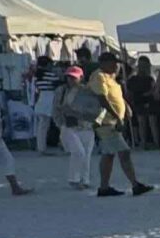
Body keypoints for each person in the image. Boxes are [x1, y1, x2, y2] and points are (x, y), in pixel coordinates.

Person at [88, 52, 152, 197]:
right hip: (106, 122)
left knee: (109, 154)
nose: (116, 66)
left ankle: (104, 187)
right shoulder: (99, 77)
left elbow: (115, 96)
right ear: (104, 63)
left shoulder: (111, 78)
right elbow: (102, 99)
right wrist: (118, 116)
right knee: (124, 152)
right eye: (113, 63)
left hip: (112, 122)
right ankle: (135, 185)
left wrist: (125, 106)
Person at [51, 64, 98, 189]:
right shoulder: (61, 91)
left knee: (87, 155)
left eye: (74, 77)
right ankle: (74, 179)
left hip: (86, 126)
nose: (71, 80)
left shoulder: (88, 91)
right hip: (69, 126)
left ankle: (85, 180)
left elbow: (94, 109)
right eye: (69, 77)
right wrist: (60, 124)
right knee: (79, 152)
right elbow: (55, 108)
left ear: (81, 77)